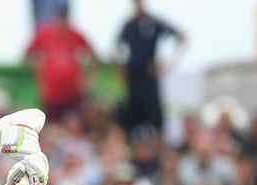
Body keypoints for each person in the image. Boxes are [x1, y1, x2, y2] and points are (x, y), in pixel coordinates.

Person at [116, 0, 186, 133]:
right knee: (133, 119)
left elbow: (182, 37)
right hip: (133, 77)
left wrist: (167, 64)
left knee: (155, 118)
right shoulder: (129, 25)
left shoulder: (154, 22)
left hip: (149, 76)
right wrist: (121, 66)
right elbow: (117, 44)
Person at [24, 5, 99, 122]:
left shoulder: (76, 35)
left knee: (74, 123)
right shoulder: (44, 34)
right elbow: (27, 56)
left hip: (73, 93)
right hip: (51, 93)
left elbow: (94, 57)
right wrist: (38, 70)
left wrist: (87, 79)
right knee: (52, 124)